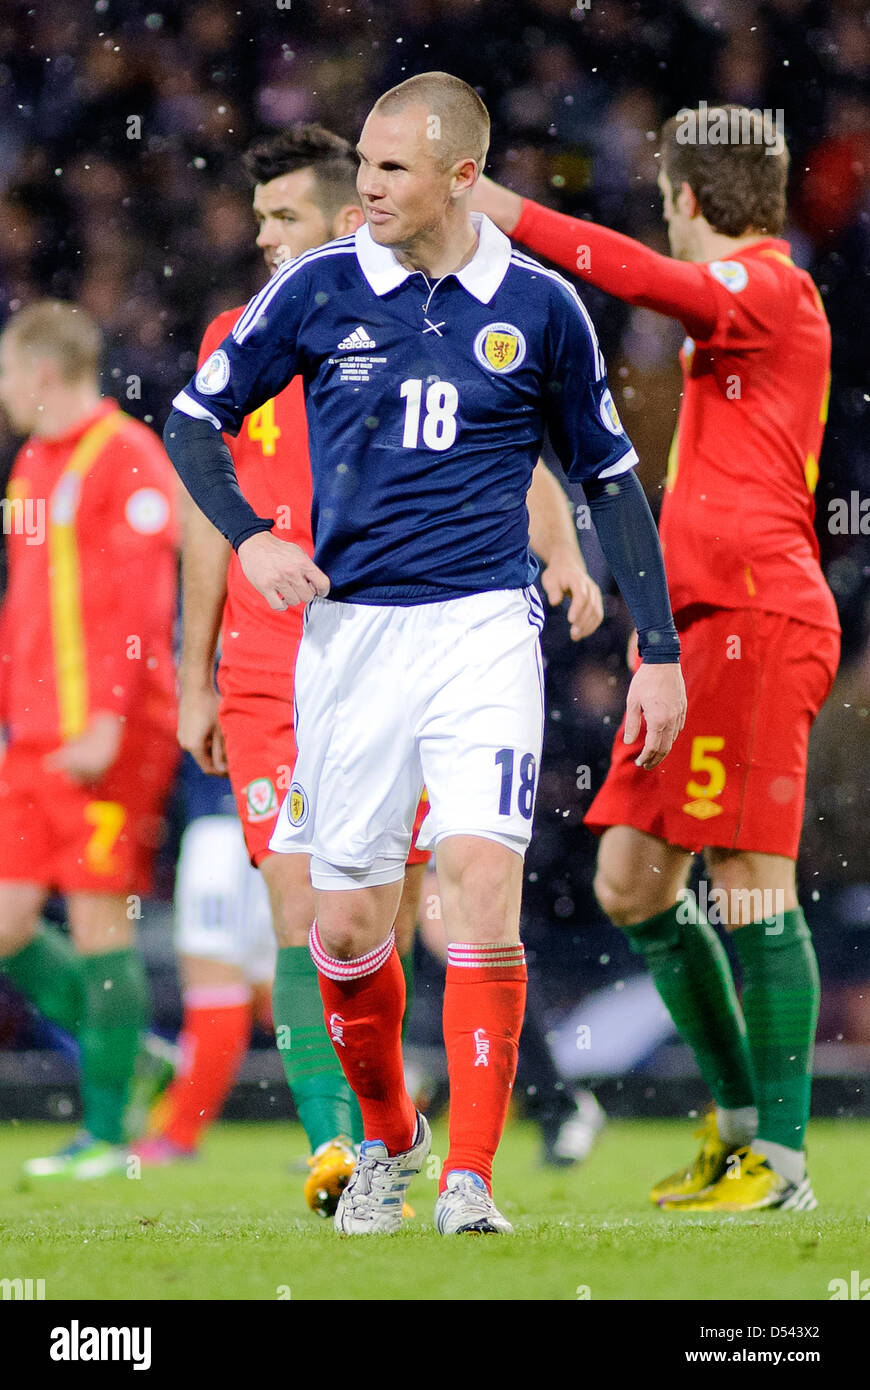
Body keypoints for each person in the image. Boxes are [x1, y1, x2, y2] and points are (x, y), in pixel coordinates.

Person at [164, 72, 685, 1236]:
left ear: (461, 177)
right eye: (361, 165)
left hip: (484, 635)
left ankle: (471, 1180)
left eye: (390, 169)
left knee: (480, 891)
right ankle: (393, 1140)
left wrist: (658, 646)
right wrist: (249, 541)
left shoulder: (542, 308)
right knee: (345, 930)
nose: (368, 189)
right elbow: (193, 421)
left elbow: (603, 476)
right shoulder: (317, 289)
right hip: (349, 641)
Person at [473, 104, 840, 1212]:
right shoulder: (733, 319)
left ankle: (782, 1161)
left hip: (763, 616)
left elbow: (644, 277)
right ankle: (736, 1129)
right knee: (632, 880)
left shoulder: (774, 287)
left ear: (685, 200)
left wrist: (504, 208)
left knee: (751, 887)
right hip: (695, 629)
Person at [0, 300, 179, 1178]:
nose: (0, 392)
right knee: (5, 923)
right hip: (33, 739)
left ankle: (110, 1135)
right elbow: (26, 600)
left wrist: (108, 718)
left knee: (105, 919)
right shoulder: (33, 464)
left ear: (41, 373)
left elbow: (145, 599)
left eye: (4, 374)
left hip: (114, 733)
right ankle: (135, 1054)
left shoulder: (129, 459)